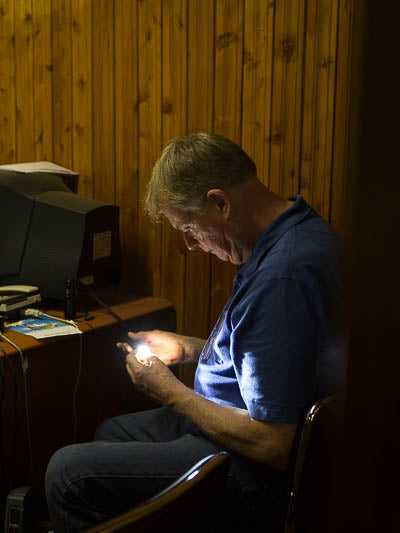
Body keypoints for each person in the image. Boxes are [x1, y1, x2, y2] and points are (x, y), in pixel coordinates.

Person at [45, 131, 344, 531]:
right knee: (112, 432)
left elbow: (272, 444)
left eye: (189, 228)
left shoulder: (283, 278)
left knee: (68, 473)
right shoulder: (298, 234)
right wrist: (191, 349)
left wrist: (169, 390)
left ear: (220, 202)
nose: (190, 245)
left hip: (251, 468)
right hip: (239, 425)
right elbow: (283, 355)